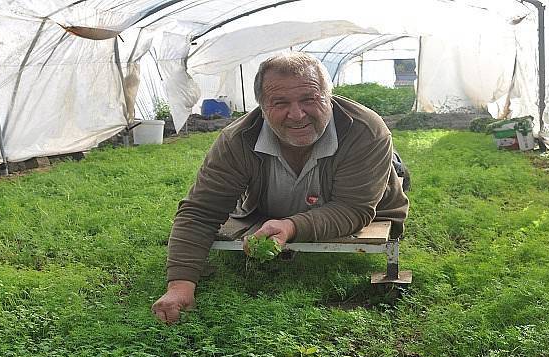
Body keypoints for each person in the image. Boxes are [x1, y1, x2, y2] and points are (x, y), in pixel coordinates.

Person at [152, 52, 409, 324]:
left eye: (309, 99)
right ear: (262, 108)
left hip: (358, 196)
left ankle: (394, 165)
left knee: (383, 172)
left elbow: (353, 208)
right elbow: (201, 210)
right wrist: (180, 286)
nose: (297, 115)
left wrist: (291, 227)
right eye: (280, 102)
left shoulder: (365, 130)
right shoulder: (237, 140)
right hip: (270, 206)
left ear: (329, 98)